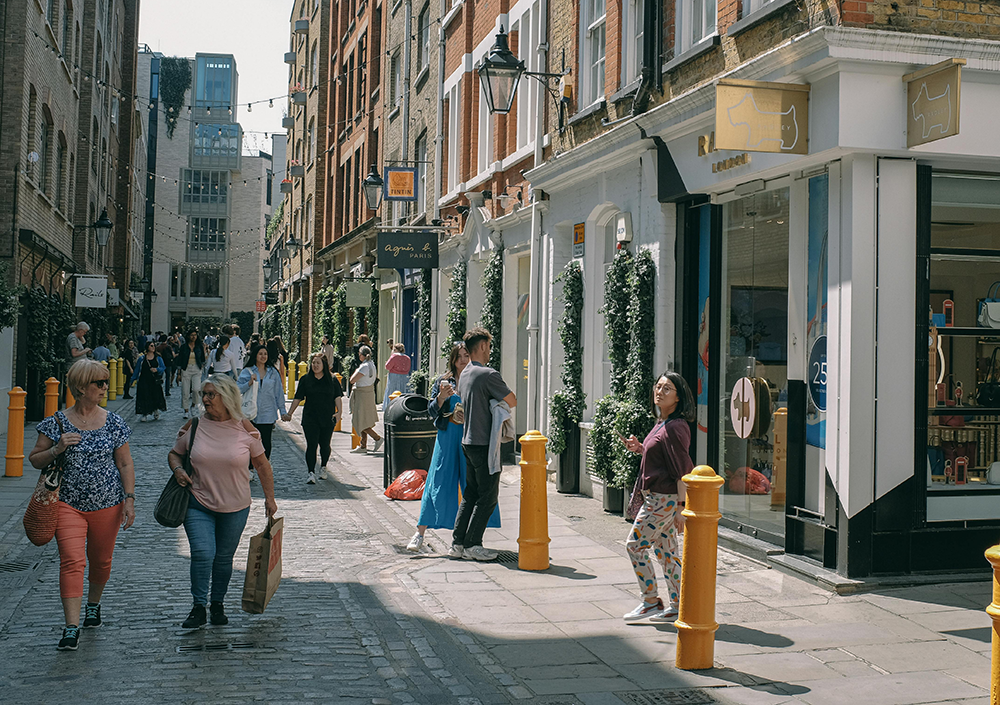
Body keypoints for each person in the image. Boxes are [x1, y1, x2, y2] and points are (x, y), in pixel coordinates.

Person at [28, 359, 136, 651]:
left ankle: (93, 604)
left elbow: (125, 463)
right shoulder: (56, 423)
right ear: (80, 387)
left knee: (101, 562)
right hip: (67, 504)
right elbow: (35, 459)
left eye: (104, 382)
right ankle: (71, 627)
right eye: (98, 383)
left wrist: (129, 499)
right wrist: (57, 447)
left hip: (108, 503)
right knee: (72, 561)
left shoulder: (113, 422)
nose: (104, 387)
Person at [168, 375, 278, 629]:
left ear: (226, 397)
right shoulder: (194, 425)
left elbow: (262, 465)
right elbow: (175, 454)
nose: (205, 399)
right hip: (198, 502)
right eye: (203, 394)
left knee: (223, 558)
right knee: (203, 553)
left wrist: (270, 499)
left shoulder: (245, 429)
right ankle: (198, 607)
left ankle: (217, 604)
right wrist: (177, 470)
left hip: (236, 506)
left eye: (210, 395)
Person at [406, 343, 498, 552]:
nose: (463, 360)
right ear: (453, 360)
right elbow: (431, 411)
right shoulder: (443, 382)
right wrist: (441, 398)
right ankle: (419, 533)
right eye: (459, 357)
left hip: (470, 438)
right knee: (436, 483)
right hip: (447, 437)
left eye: (466, 355)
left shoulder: (477, 378)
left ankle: (468, 539)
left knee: (472, 487)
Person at [620, 371, 695, 622]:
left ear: (678, 398)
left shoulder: (675, 426)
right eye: (658, 386)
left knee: (635, 546)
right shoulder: (662, 422)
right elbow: (662, 459)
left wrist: (682, 508)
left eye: (667, 389)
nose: (659, 392)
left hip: (663, 500)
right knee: (667, 554)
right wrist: (641, 448)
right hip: (659, 498)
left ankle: (651, 601)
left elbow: (682, 470)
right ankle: (678, 604)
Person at [451, 328, 516, 562]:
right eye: (488, 346)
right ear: (482, 347)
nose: (490, 351)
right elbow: (512, 400)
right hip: (484, 444)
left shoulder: (466, 373)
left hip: (467, 442)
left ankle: (457, 543)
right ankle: (472, 544)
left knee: (470, 494)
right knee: (488, 497)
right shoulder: (489, 374)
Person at [283, 353, 343, 484]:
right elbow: (298, 398)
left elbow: (337, 397)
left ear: (324, 365)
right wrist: (290, 413)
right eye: (313, 363)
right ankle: (311, 472)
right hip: (310, 417)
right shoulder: (306, 379)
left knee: (325, 445)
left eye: (318, 363)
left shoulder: (332, 380)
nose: (315, 365)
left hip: (327, 417)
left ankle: (323, 467)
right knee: (311, 445)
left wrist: (339, 413)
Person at [238, 344, 286, 479]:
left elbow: (279, 393)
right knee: (249, 441)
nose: (263, 356)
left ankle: (264, 465)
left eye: (265, 354)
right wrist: (249, 383)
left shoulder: (273, 372)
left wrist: (282, 410)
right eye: (260, 354)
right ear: (255, 355)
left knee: (266, 442)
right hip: (250, 413)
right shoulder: (247, 372)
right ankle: (250, 468)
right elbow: (236, 390)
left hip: (267, 412)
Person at [348, 345, 381, 454]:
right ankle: (363, 445)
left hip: (362, 394)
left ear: (362, 355)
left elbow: (352, 380)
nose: (358, 356)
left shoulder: (364, 366)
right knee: (364, 418)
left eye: (359, 354)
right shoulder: (372, 364)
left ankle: (377, 438)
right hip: (369, 393)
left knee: (359, 419)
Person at [130, 341, 166, 422]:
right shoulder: (142, 359)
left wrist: (157, 369)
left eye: (154, 346)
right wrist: (132, 379)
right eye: (151, 346)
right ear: (147, 347)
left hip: (154, 380)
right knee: (145, 396)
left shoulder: (158, 358)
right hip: (144, 380)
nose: (153, 347)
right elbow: (137, 370)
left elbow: (163, 367)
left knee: (155, 395)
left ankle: (155, 410)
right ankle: (145, 413)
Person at [179, 330, 207, 419]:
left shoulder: (199, 347)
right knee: (185, 391)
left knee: (196, 389)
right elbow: (180, 359)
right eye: (191, 335)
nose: (193, 337)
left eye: (195, 335)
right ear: (188, 336)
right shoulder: (184, 347)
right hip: (186, 368)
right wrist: (178, 373)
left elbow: (203, 357)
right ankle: (186, 410)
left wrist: (202, 365)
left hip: (196, 368)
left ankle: (194, 405)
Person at [383, 343, 412, 408]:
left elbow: (387, 367)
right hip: (405, 376)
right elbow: (408, 368)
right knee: (403, 391)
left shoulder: (394, 356)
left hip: (394, 376)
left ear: (395, 349)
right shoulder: (407, 358)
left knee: (392, 391)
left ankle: (390, 407)